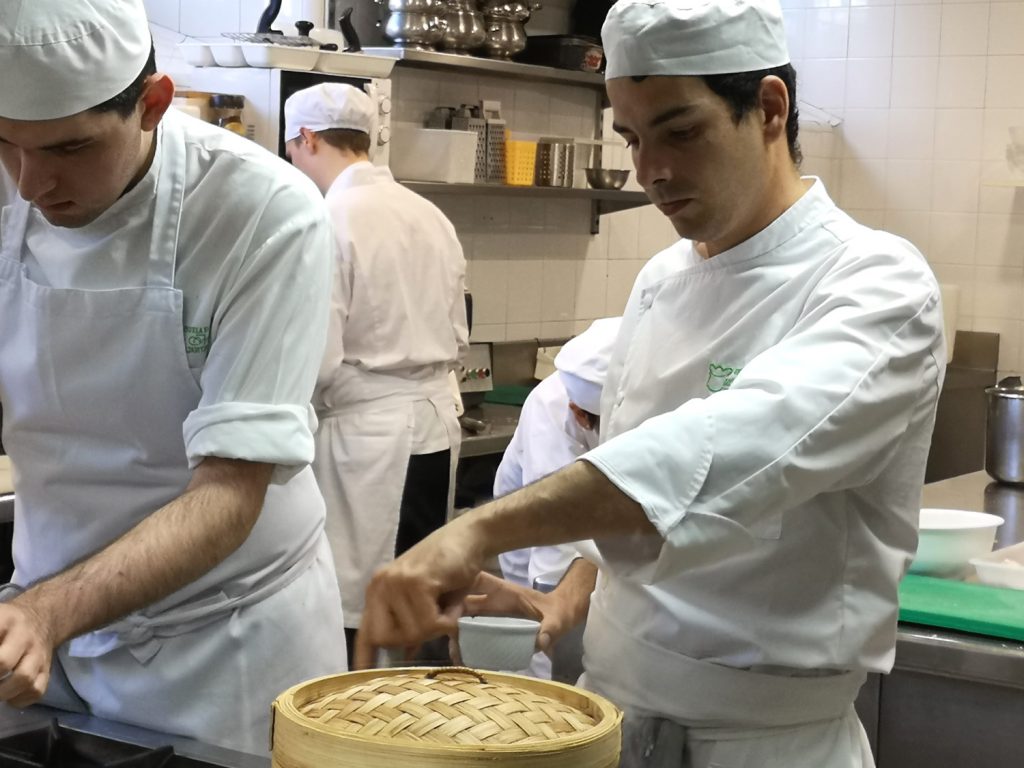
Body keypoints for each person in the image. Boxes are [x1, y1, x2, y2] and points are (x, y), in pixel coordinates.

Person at [354, 2, 947, 766]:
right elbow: (635, 504)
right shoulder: (663, 279)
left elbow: (717, 456)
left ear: (769, 109)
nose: (650, 170)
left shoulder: (877, 285)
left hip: (767, 746)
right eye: (632, 138)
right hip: (613, 727)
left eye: (680, 131)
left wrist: (476, 528)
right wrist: (552, 599)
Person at [0, 0, 346, 753]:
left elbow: (228, 491)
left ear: (153, 104)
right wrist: (37, 617)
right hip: (44, 638)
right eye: (6, 145)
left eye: (68, 149)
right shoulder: (12, 191)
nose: (30, 184)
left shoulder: (262, 212)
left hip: (221, 646)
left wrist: (48, 613)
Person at [283, 83, 469, 664]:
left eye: (292, 148)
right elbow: (461, 323)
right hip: (435, 425)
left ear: (307, 138)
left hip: (365, 440)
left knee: (355, 606)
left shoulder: (330, 217)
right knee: (418, 589)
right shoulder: (430, 214)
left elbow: (316, 358)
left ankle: (359, 735)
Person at [493, 317, 619, 680]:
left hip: (602, 542)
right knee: (542, 661)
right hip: (533, 552)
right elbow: (557, 545)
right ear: (577, 412)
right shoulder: (550, 408)